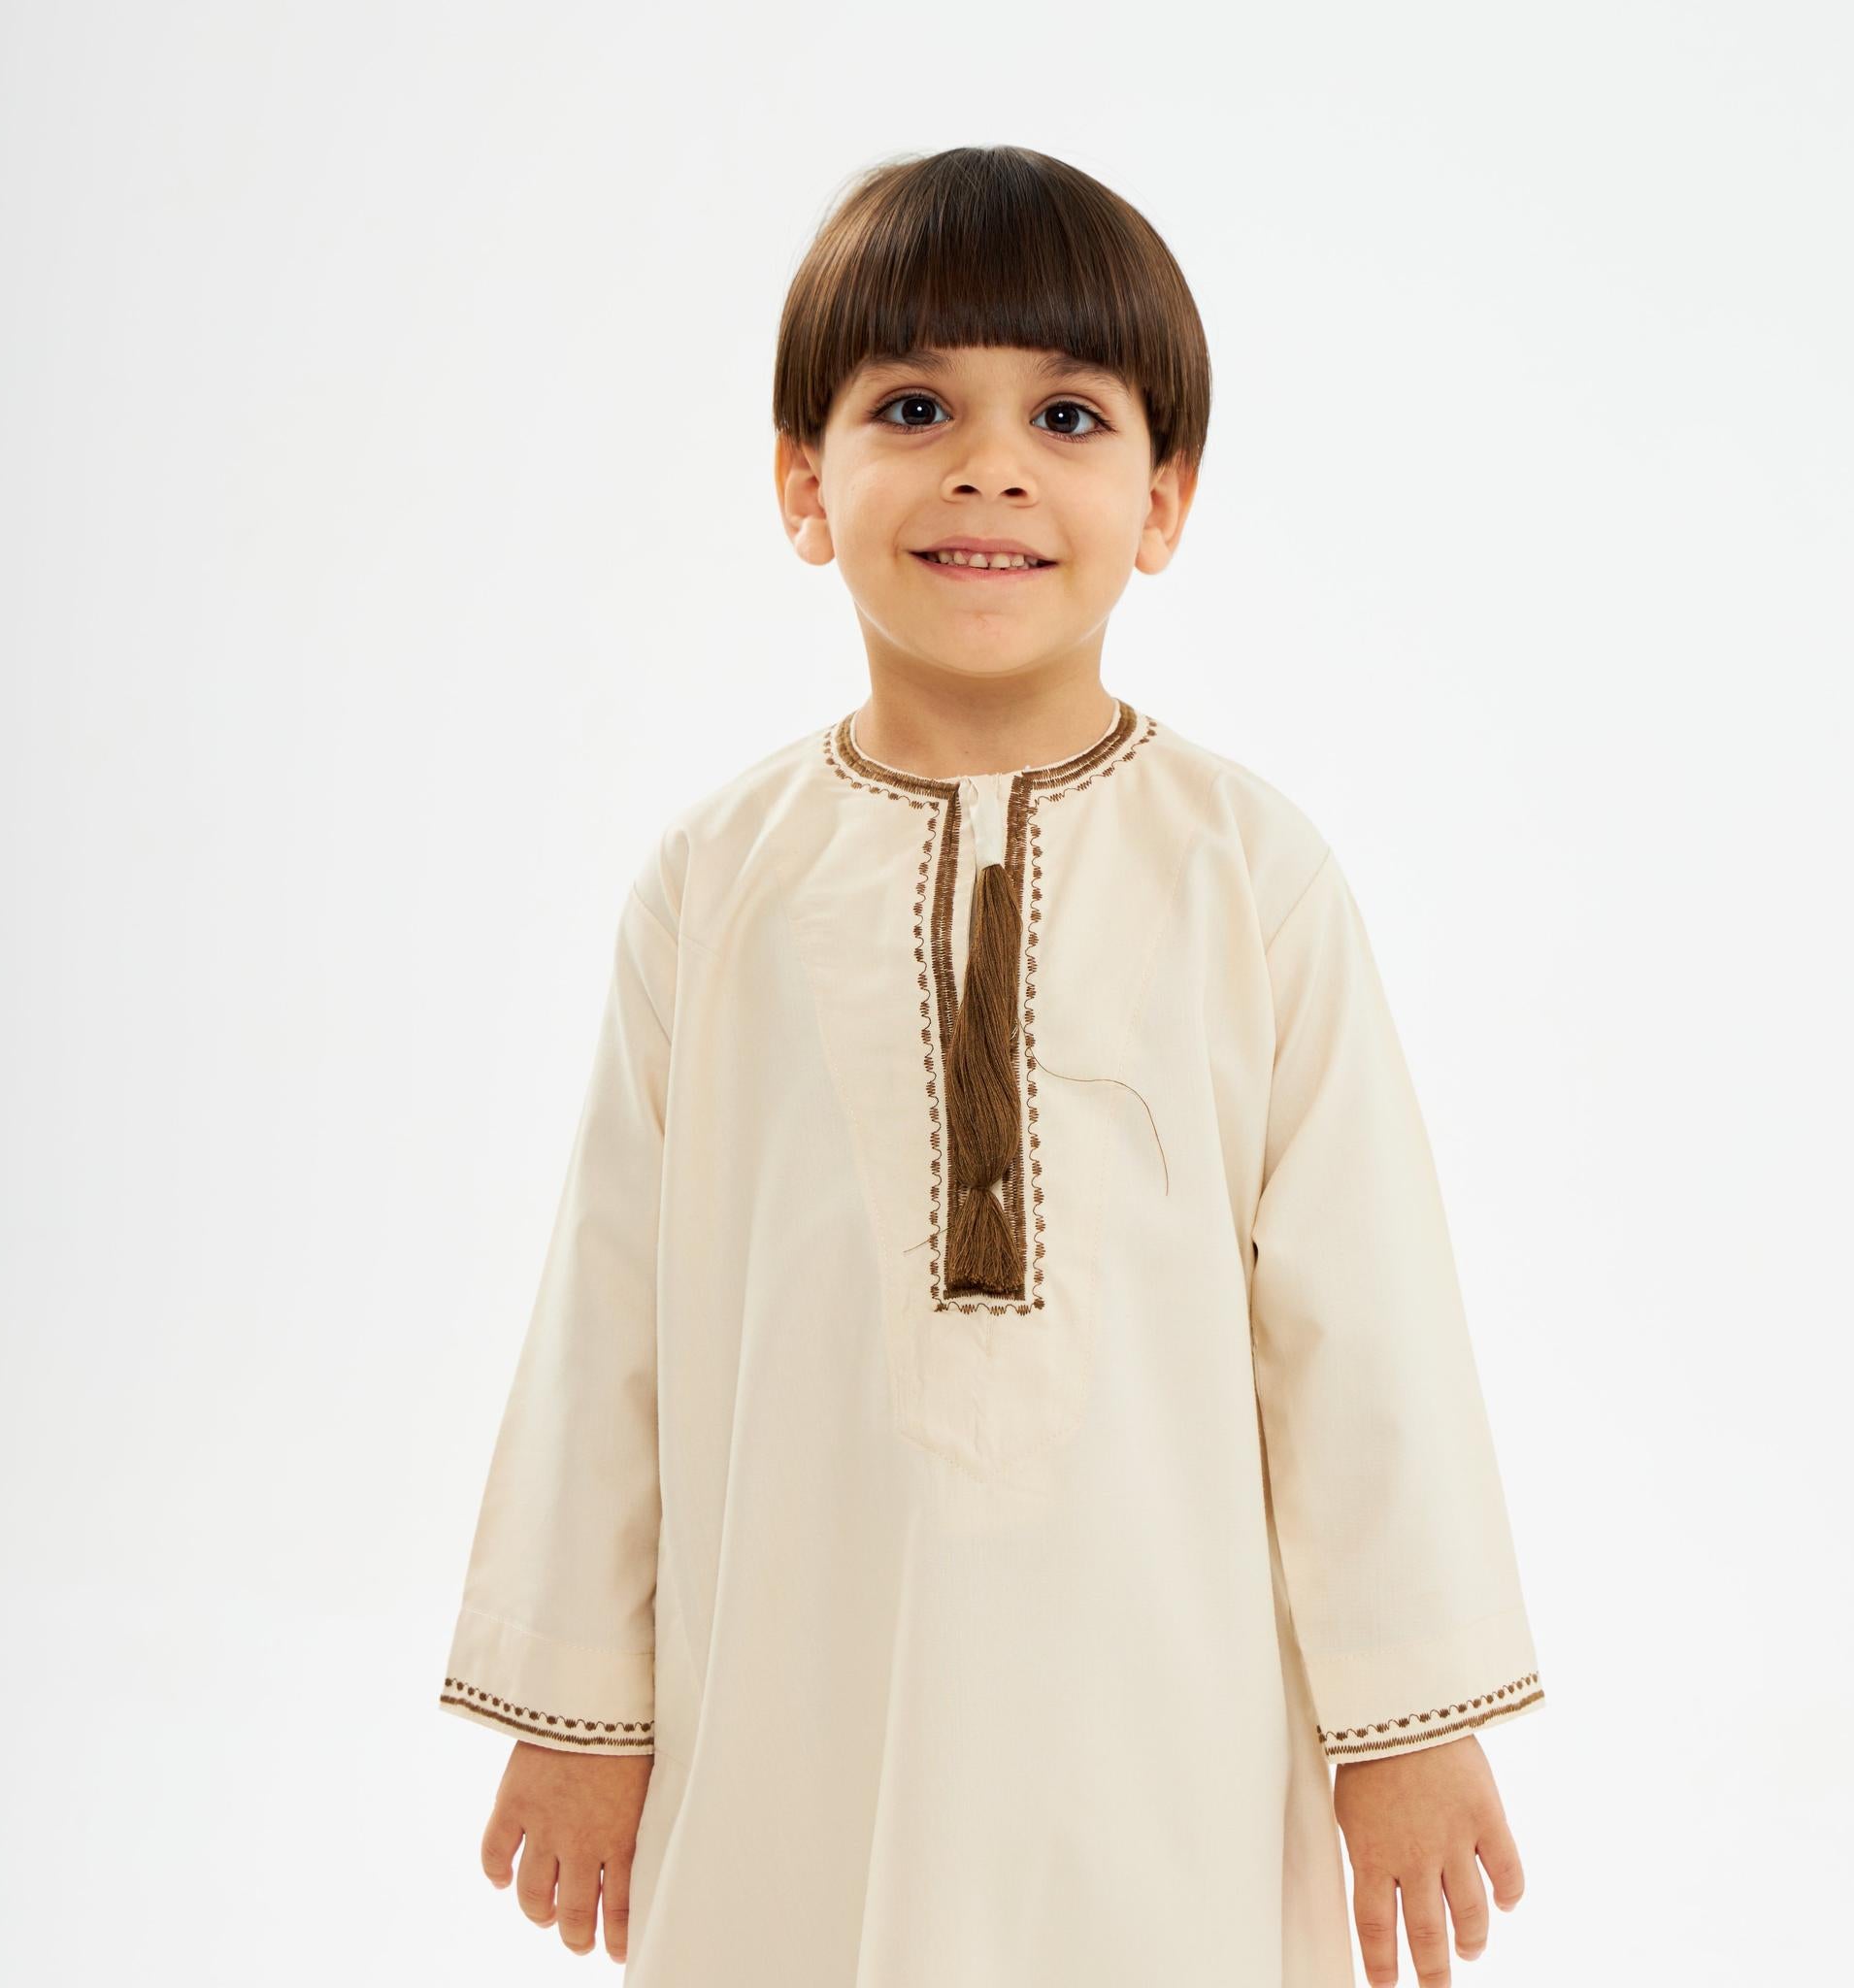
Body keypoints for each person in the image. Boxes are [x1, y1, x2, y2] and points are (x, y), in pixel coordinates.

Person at [435, 144, 1546, 1988]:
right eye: (916, 407)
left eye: (1069, 416)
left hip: (1164, 1716)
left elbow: (1366, 1320)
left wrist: (1410, 1720)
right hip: (799, 1683)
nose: (992, 468)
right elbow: (607, 1315)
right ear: (804, 483)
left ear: (1164, 499)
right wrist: (579, 1708)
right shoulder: (716, 886)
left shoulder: (1248, 877)